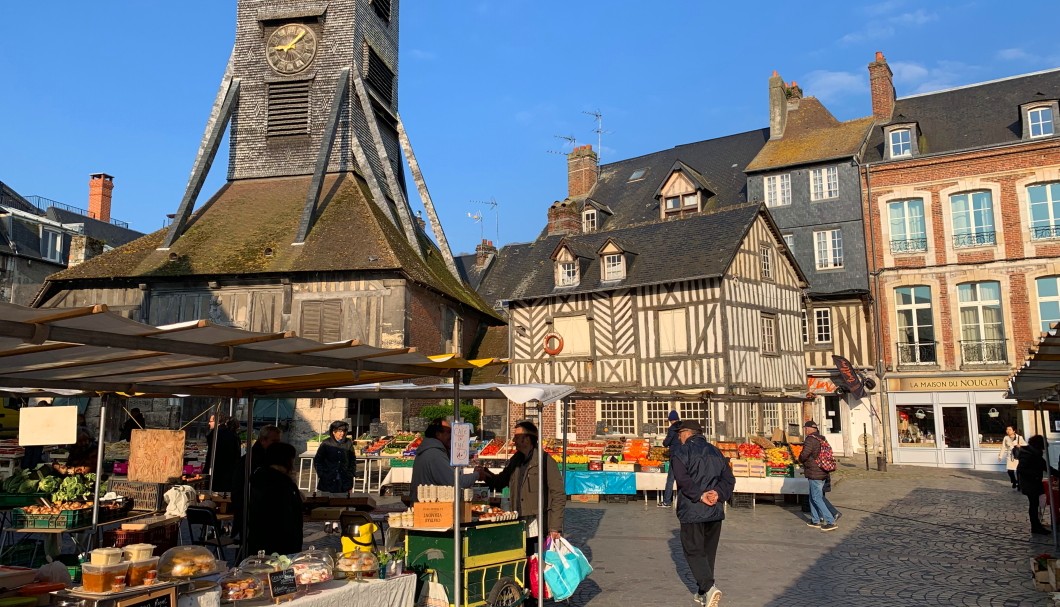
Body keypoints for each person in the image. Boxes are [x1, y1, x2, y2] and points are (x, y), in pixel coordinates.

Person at [670, 419, 734, 607]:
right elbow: (729, 479)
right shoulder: (716, 451)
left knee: (694, 550)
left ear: (687, 433)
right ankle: (703, 592)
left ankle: (709, 587)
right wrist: (718, 493)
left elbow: (682, 480)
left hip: (692, 509)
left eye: (680, 434)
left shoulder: (681, 452)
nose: (679, 437)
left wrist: (700, 495)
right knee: (708, 553)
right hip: (714, 509)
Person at [482, 420, 565, 551]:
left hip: (539, 521)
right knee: (524, 557)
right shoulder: (515, 460)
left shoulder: (545, 461)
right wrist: (485, 474)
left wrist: (555, 527)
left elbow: (558, 495)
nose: (513, 440)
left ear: (527, 439)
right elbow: (500, 482)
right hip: (519, 518)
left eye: (517, 437)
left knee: (540, 561)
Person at [247, 442, 303, 555]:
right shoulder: (279, 482)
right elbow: (285, 515)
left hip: (262, 539)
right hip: (279, 542)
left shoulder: (261, 476)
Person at [410, 418, 480, 503]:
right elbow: (456, 483)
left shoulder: (430, 450)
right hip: (432, 509)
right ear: (438, 434)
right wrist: (477, 474)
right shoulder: (435, 454)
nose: (452, 436)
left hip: (426, 506)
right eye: (449, 432)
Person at [232, 425, 282, 538]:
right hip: (252, 512)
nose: (277, 444)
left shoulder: (267, 457)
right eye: (274, 441)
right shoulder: (251, 460)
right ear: (263, 440)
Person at [798, 420, 840, 531]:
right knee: (813, 496)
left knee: (816, 497)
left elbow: (805, 454)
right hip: (822, 471)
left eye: (805, 428)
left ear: (809, 429)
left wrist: (800, 459)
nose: (805, 430)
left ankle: (830, 521)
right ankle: (815, 520)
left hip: (814, 472)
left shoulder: (810, 439)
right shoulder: (822, 438)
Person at [1017, 434, 1051, 535]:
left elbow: (1046, 467)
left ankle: (1036, 525)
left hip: (1033, 482)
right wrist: (1035, 475)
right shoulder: (1028, 454)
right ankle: (1035, 526)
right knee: (1033, 504)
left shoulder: (1034, 453)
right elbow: (1021, 469)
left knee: (1035, 504)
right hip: (1030, 483)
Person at [313, 420, 357, 495]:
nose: (342, 433)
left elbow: (352, 459)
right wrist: (321, 474)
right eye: (339, 431)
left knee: (343, 502)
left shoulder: (348, 442)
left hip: (344, 479)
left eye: (343, 431)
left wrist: (351, 473)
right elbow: (317, 460)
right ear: (334, 432)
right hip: (328, 478)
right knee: (327, 503)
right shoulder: (326, 443)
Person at [205, 414, 241, 492]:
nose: (209, 423)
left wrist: (205, 471)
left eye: (210, 421)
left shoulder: (216, 435)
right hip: (230, 473)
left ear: (218, 422)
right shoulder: (234, 435)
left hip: (217, 472)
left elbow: (211, 455)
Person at [660, 410, 681, 508]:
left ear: (670, 420)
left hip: (675, 456)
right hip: (685, 455)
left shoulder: (672, 429)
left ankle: (667, 501)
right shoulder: (683, 427)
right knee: (682, 478)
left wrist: (664, 442)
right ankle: (683, 501)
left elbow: (667, 442)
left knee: (670, 479)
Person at [998, 425, 1025, 491]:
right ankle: (1014, 481)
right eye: (1007, 429)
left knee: (1018, 471)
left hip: (1017, 456)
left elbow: (1025, 445)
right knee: (1010, 471)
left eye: (1010, 429)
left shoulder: (1019, 437)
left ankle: (1019, 484)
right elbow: (1003, 447)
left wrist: (1020, 446)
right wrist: (1000, 456)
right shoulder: (1006, 438)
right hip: (1010, 456)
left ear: (1014, 431)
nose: (1008, 431)